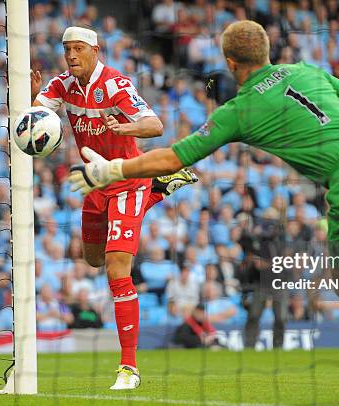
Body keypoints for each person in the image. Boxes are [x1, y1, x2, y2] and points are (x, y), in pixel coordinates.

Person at [68, 20, 339, 402]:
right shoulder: (306, 70)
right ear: (266, 50)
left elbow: (173, 158)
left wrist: (112, 168)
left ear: (231, 63)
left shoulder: (237, 110)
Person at [30, 26, 198, 390]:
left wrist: (124, 129)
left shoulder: (116, 85)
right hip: (94, 182)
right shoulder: (61, 84)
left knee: (115, 265)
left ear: (94, 49)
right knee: (91, 259)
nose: (71, 55)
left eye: (78, 49)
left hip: (125, 180)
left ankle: (129, 368)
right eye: (66, 49)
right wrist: (32, 104)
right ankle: (162, 185)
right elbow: (37, 115)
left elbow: (155, 124)